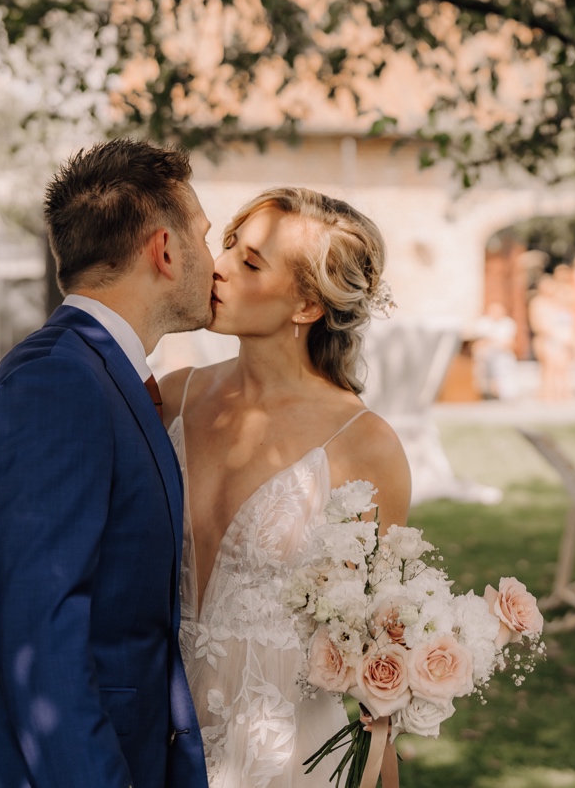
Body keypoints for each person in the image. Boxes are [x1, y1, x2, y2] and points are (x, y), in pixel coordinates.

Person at [0, 140, 215, 788]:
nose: (216, 262)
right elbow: (40, 640)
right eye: (206, 237)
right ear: (164, 249)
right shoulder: (58, 384)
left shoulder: (101, 374)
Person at [158, 187, 411, 788]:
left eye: (250, 264)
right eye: (228, 248)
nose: (217, 269)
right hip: (157, 748)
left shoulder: (364, 444)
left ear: (306, 305)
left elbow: (384, 655)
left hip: (288, 761)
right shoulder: (171, 396)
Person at [471, 301, 520, 400]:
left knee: (502, 362)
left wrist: (493, 342)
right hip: (485, 354)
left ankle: (503, 392)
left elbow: (510, 343)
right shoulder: (482, 323)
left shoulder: (507, 323)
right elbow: (479, 343)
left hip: (501, 354)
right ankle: (486, 391)